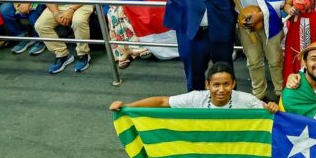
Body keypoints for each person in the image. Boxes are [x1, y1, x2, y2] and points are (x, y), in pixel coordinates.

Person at [109, 62, 277, 112]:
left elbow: (270, 112)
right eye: (216, 85)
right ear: (207, 85)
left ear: (233, 84)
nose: (221, 90)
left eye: (226, 84)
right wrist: (127, 106)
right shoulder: (196, 97)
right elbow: (162, 102)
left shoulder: (246, 100)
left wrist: (273, 107)